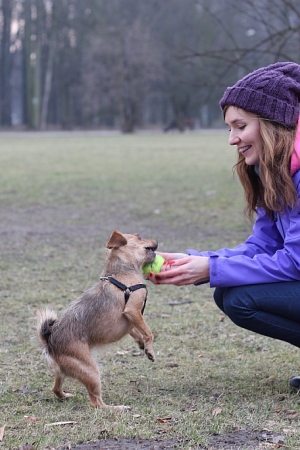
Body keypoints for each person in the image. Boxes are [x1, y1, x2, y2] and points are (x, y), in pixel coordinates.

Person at [149, 62, 300, 389]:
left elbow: (296, 262)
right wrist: (197, 262)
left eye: (240, 126)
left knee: (241, 299)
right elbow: (263, 246)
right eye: (229, 128)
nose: (232, 139)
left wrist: (212, 269)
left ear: (272, 124)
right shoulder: (275, 171)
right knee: (230, 294)